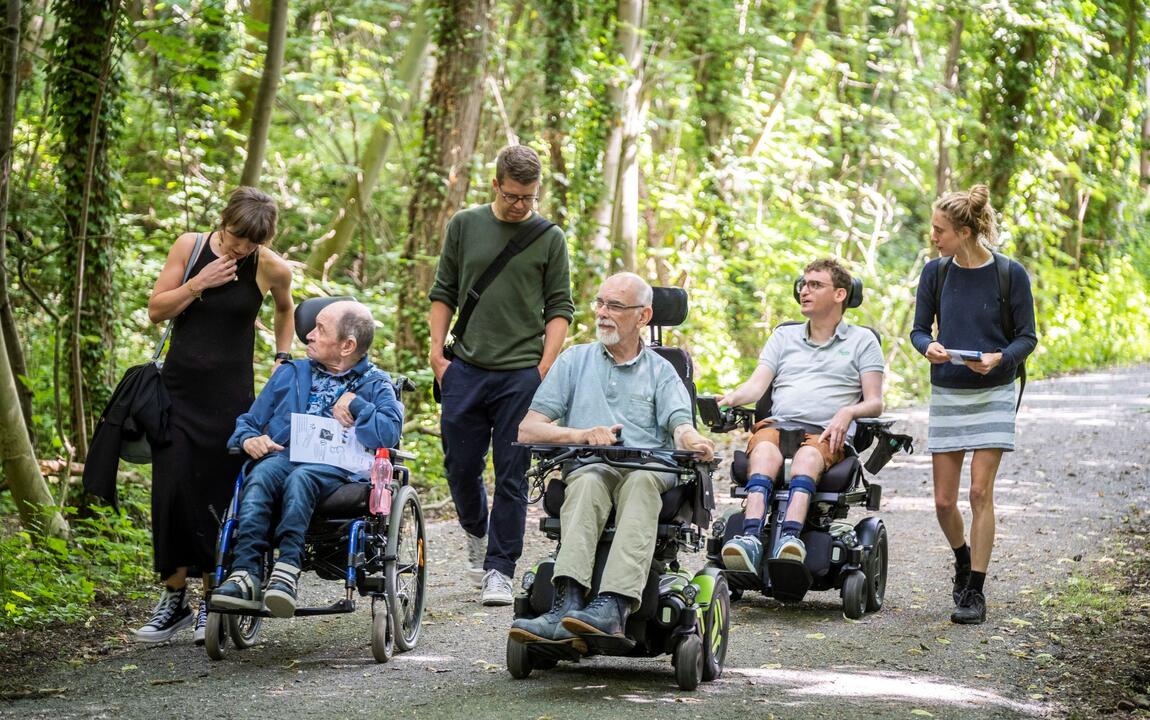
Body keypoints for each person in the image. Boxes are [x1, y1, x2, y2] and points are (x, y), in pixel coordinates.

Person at [509, 273, 714, 650]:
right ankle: (567, 602)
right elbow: (529, 430)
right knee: (586, 481)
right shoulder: (575, 360)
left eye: (615, 306)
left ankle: (613, 606)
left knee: (638, 483)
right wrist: (580, 434)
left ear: (643, 316)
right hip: (591, 464)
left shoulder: (662, 371)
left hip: (647, 468)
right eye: (600, 303)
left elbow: (680, 427)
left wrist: (694, 440)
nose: (603, 313)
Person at [134, 187, 294, 644]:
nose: (240, 248)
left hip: (231, 400)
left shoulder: (269, 266)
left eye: (250, 242)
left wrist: (282, 358)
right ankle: (173, 598)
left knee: (219, 496)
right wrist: (198, 283)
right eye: (235, 236)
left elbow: (286, 309)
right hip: (177, 395)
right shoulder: (190, 247)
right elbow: (155, 310)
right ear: (223, 221)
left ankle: (211, 600)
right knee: (171, 490)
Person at [427, 145, 574, 606]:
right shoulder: (465, 225)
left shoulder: (548, 237)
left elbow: (560, 307)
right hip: (465, 368)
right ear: (495, 185)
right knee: (460, 467)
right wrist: (436, 355)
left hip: (521, 374)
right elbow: (444, 290)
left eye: (529, 197)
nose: (521, 206)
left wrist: (544, 366)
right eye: (513, 196)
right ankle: (475, 532)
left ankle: (500, 569)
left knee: (512, 475)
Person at [212, 300, 404, 618]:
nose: (308, 336)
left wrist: (356, 405)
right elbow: (249, 421)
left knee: (302, 478)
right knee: (260, 475)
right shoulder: (291, 373)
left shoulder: (374, 383)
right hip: (285, 457)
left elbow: (388, 433)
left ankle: (287, 569)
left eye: (319, 329)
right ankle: (245, 574)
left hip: (339, 470)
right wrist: (249, 438)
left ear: (347, 345)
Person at [910, 184, 1037, 625]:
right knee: (944, 502)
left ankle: (975, 592)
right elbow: (918, 331)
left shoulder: (1010, 273)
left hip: (995, 390)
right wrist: (929, 348)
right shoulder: (936, 273)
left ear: (964, 231)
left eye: (939, 230)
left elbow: (1027, 337)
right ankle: (962, 559)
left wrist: (1002, 357)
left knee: (980, 493)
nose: (933, 237)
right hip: (948, 390)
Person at [717, 258, 885, 572]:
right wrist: (727, 399)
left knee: (807, 459)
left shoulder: (863, 341)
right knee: (765, 451)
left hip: (825, 433)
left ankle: (789, 540)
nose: (804, 291)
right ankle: (750, 538)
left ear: (839, 295)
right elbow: (755, 387)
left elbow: (875, 403)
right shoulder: (783, 337)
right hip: (778, 426)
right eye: (803, 284)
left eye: (815, 285)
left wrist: (848, 411)